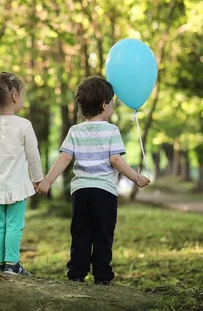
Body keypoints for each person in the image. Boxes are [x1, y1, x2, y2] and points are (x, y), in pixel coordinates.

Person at [36, 76, 151, 285]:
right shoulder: (111, 130)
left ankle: (76, 274)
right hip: (104, 192)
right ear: (104, 105)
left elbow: (65, 157)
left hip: (80, 192)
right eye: (112, 102)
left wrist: (47, 181)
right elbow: (115, 159)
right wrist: (136, 178)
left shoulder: (75, 131)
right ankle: (102, 276)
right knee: (103, 234)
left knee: (80, 233)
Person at [0, 72, 43, 276]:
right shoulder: (24, 125)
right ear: (15, 96)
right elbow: (33, 156)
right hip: (16, 186)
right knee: (14, 225)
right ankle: (12, 265)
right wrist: (38, 178)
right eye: (21, 95)